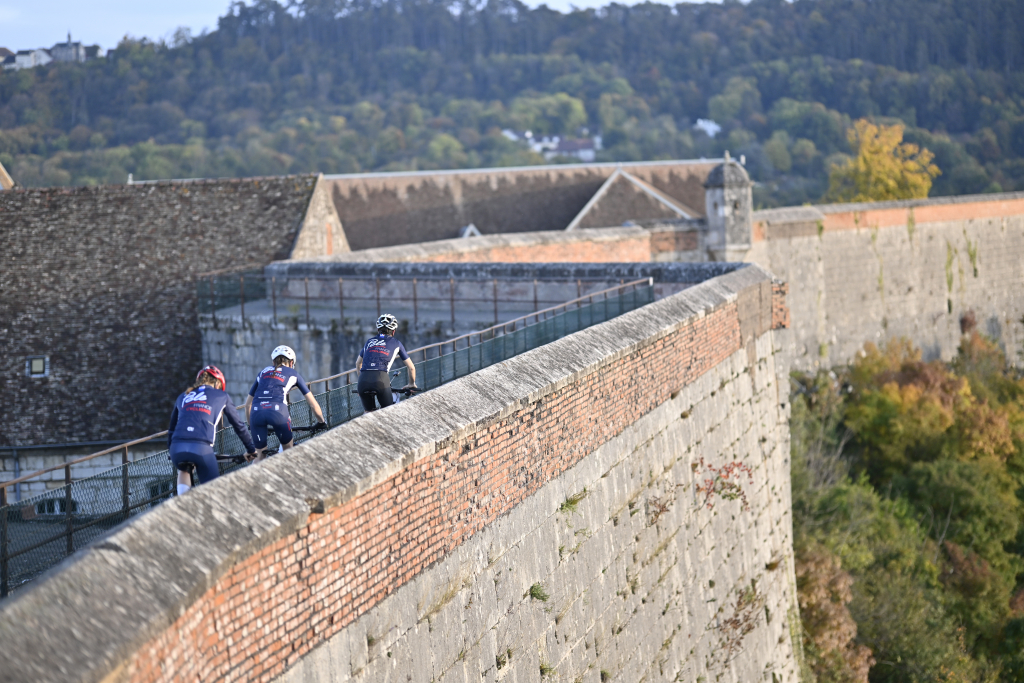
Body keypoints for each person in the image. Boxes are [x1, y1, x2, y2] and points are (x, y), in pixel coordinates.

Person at [168, 365, 256, 496]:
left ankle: (181, 507)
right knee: (213, 493)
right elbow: (238, 425)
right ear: (217, 383)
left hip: (177, 448)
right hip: (201, 448)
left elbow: (171, 429)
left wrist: (171, 451)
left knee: (183, 470)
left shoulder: (183, 396)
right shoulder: (222, 396)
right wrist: (251, 449)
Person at [245, 345, 326, 462]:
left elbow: (248, 405)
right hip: (278, 413)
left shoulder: (262, 372)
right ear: (292, 362)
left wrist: (251, 426)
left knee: (259, 456)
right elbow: (313, 404)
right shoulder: (293, 373)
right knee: (288, 454)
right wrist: (321, 422)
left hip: (256, 413)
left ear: (273, 361)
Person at [356, 313, 418, 412]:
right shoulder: (397, 343)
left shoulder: (369, 342)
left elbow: (358, 363)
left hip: (363, 380)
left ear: (378, 330)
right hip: (381, 379)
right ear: (393, 331)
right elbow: (411, 368)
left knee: (368, 414)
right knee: (388, 412)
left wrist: (361, 383)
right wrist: (411, 384)